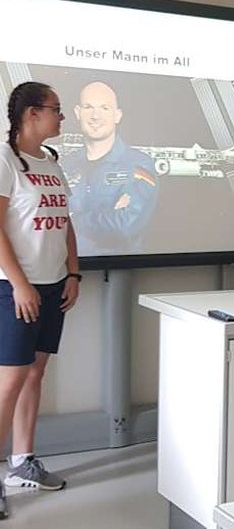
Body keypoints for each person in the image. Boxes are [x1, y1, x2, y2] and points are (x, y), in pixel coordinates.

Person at [0, 82, 81, 518]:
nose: (62, 118)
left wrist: (73, 272)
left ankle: (22, 463)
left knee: (35, 373)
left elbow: (64, 221)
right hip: (15, 288)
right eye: (57, 110)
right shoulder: (3, 160)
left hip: (53, 285)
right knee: (9, 381)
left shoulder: (50, 161)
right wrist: (20, 284)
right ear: (31, 114)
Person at [65, 81, 158, 256]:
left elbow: (125, 226)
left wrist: (72, 218)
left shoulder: (139, 165)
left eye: (104, 108)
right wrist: (107, 216)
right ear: (78, 113)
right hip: (65, 268)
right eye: (88, 107)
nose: (95, 116)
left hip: (117, 270)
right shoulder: (65, 164)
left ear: (117, 115)